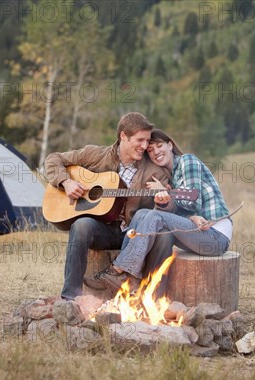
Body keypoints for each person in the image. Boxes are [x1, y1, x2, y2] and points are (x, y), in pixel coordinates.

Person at [84, 129, 232, 295]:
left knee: (155, 216)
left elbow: (193, 201)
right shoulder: (171, 177)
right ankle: (145, 288)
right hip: (195, 233)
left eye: (159, 145)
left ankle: (119, 270)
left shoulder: (187, 160)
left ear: (170, 145)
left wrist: (167, 194)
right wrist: (170, 203)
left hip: (215, 236)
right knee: (142, 214)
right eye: (150, 150)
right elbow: (181, 215)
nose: (156, 152)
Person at [43, 112, 170, 300]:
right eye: (140, 140)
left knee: (163, 237)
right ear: (123, 136)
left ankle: (149, 299)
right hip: (104, 230)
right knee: (81, 226)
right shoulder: (96, 155)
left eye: (147, 141)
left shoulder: (155, 172)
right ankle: (70, 298)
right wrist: (66, 182)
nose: (145, 146)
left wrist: (164, 202)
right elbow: (53, 159)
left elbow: (160, 215)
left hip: (134, 235)